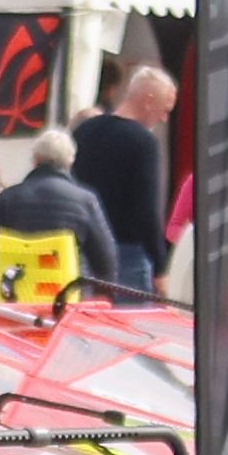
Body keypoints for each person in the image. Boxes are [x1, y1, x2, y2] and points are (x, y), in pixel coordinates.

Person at [55, 60, 179, 298]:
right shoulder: (143, 142)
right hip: (126, 254)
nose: (164, 118)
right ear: (148, 100)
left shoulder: (85, 130)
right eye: (165, 109)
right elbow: (147, 210)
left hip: (82, 249)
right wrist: (161, 267)